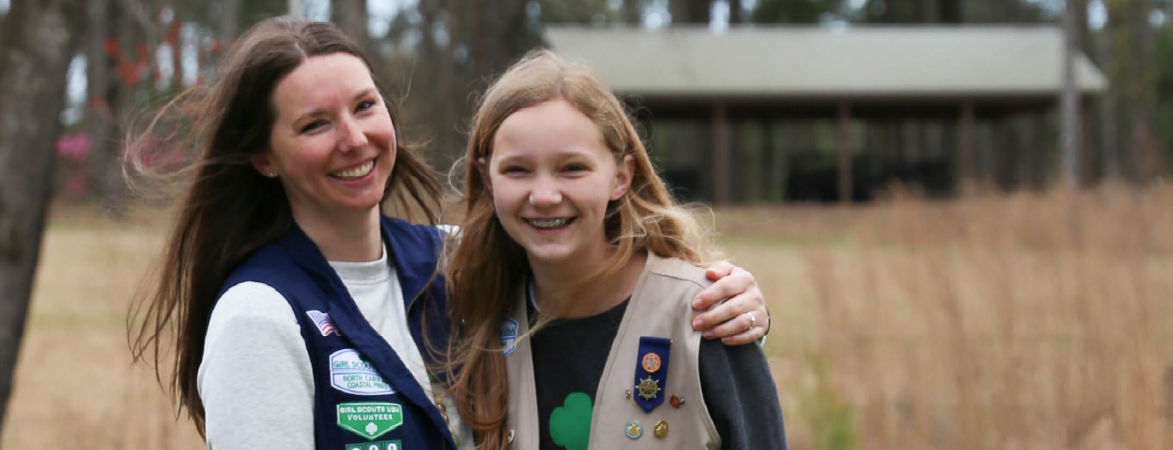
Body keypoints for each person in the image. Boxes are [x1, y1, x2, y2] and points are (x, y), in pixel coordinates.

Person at [126, 18, 772, 450]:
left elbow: (594, 273)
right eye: (315, 124)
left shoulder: (455, 261)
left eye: (364, 106)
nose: (354, 138)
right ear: (264, 157)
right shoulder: (260, 316)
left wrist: (726, 297)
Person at [443, 50, 788, 450]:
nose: (544, 195)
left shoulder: (705, 316)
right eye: (517, 170)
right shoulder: (474, 314)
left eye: (572, 168)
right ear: (487, 179)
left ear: (621, 177)